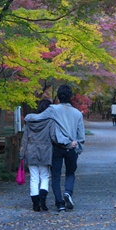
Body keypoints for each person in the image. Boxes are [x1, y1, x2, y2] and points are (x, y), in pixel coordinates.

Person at [24, 84, 85, 212]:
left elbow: (36, 118)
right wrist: (78, 149)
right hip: (72, 148)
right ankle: (68, 192)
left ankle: (60, 204)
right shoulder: (78, 114)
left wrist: (27, 117)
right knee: (70, 173)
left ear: (58, 96)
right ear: (70, 97)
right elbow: (81, 135)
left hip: (57, 147)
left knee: (56, 176)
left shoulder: (52, 109)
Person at [19, 98, 56, 212]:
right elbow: (53, 137)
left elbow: (25, 139)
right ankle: (43, 201)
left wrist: (21, 154)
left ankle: (35, 204)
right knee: (44, 176)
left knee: (34, 178)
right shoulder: (50, 122)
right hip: (45, 151)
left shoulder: (30, 122)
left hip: (31, 151)